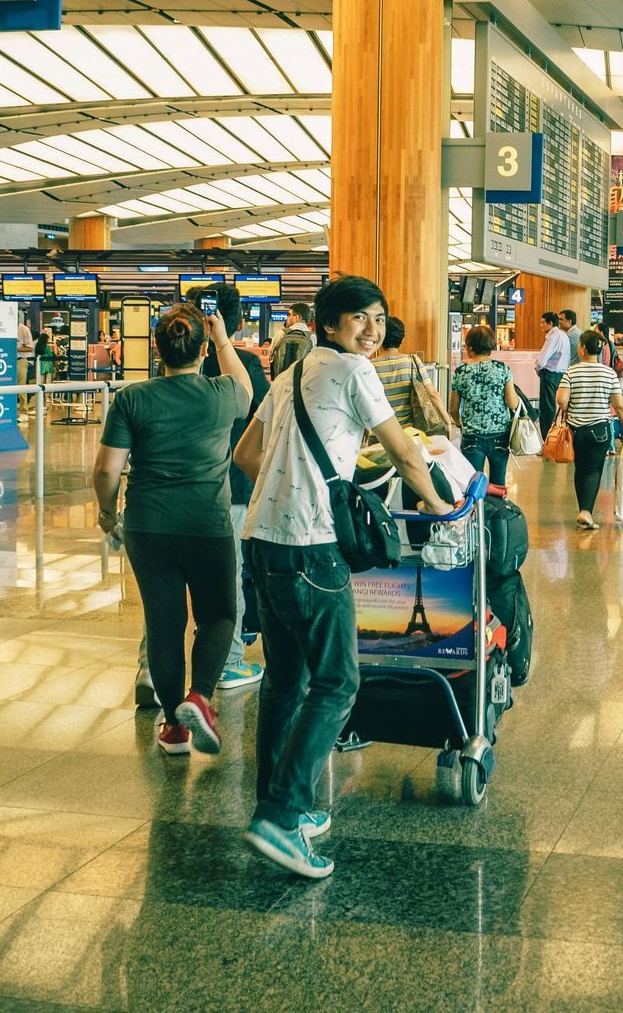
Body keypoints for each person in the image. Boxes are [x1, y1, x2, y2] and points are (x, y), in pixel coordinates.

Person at [233, 275, 450, 880]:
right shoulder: (356, 373)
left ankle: (277, 809)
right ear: (330, 323)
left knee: (284, 681)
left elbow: (246, 458)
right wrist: (436, 504)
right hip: (311, 547)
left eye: (379, 318)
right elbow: (406, 452)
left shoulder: (287, 375)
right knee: (336, 683)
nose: (373, 330)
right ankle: (282, 814)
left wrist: (288, 489)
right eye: (360, 318)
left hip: (262, 539)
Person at [91, 303, 256, 759]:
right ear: (202, 350)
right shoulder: (222, 393)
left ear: (156, 350)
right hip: (208, 523)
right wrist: (222, 337)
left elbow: (106, 470)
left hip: (149, 525)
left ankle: (173, 727)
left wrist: (108, 515)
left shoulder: (132, 398)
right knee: (220, 614)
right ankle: (199, 697)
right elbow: (245, 385)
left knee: (164, 623)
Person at [554, 330, 623, 530]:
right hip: (600, 430)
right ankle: (586, 511)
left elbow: (561, 400)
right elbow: (620, 405)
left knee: (580, 468)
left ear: (582, 348)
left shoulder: (572, 372)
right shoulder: (609, 373)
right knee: (594, 470)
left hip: (576, 429)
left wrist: (567, 406)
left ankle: (584, 509)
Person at [449, 324, 521, 485]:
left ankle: (477, 510)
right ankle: (499, 509)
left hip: (471, 436)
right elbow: (512, 402)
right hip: (500, 434)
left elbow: (453, 409)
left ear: (470, 347)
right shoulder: (503, 369)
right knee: (498, 482)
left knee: (473, 484)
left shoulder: (461, 372)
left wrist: (460, 424)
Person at [370, 315, 431, 431]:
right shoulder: (413, 361)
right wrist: (447, 420)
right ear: (402, 339)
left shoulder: (370, 367)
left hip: (379, 433)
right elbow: (433, 394)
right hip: (407, 432)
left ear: (380, 338)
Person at [534, 311, 570, 437]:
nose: (540, 325)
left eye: (543, 322)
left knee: (547, 409)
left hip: (549, 374)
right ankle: (556, 437)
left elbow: (542, 359)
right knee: (559, 407)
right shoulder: (564, 335)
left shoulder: (552, 336)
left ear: (550, 323)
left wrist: (538, 368)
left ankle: (547, 440)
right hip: (562, 374)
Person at [269, 302, 314, 378]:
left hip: (282, 381)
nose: (287, 318)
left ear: (297, 317)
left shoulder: (281, 334)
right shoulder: (313, 337)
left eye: (289, 315)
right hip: (304, 383)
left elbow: (271, 358)